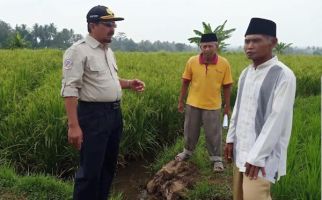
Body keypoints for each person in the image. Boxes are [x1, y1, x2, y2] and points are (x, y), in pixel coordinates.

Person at [61, 5, 145, 200]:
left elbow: (108, 81)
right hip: (93, 117)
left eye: (113, 24)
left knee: (107, 167)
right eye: (107, 24)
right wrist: (73, 126)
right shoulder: (78, 51)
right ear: (92, 25)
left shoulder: (107, 51)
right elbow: (70, 89)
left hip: (114, 115)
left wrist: (128, 83)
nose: (112, 28)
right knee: (90, 172)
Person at [224, 18, 296, 200]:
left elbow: (277, 120)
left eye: (256, 41)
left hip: (262, 158)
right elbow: (238, 109)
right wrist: (230, 138)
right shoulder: (246, 73)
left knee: (256, 196)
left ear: (273, 42)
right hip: (242, 150)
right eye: (247, 41)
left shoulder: (283, 75)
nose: (249, 46)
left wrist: (256, 157)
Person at [175, 33, 233, 172]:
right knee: (190, 130)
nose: (207, 49)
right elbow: (185, 82)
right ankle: (187, 152)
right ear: (200, 47)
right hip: (193, 103)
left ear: (216, 46)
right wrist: (181, 101)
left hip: (213, 105)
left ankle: (216, 160)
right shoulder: (192, 61)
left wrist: (227, 105)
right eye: (204, 46)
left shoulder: (224, 63)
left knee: (213, 133)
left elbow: (227, 86)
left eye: (210, 46)